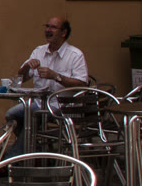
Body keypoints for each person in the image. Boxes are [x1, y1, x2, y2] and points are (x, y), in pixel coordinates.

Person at [7, 16, 89, 149]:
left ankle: (17, 157)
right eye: (47, 26)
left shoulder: (75, 55)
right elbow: (21, 78)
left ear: (64, 32)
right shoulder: (39, 51)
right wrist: (27, 66)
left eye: (53, 27)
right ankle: (37, 149)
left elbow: (82, 85)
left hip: (63, 107)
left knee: (31, 118)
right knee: (12, 114)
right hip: (39, 104)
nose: (48, 30)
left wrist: (56, 77)